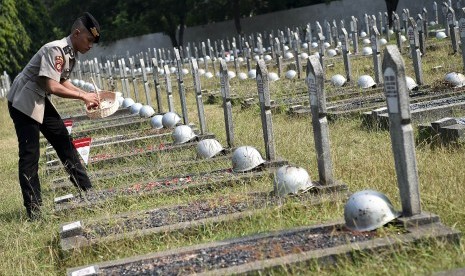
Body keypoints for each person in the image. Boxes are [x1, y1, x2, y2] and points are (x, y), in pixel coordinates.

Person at [7, 12, 101, 220]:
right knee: (30, 155)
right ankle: (35, 212)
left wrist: (85, 94)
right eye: (89, 40)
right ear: (77, 33)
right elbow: (52, 85)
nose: (90, 45)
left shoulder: (70, 53)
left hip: (38, 99)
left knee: (63, 141)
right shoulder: (56, 50)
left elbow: (62, 80)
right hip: (23, 100)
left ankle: (88, 192)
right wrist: (82, 96)